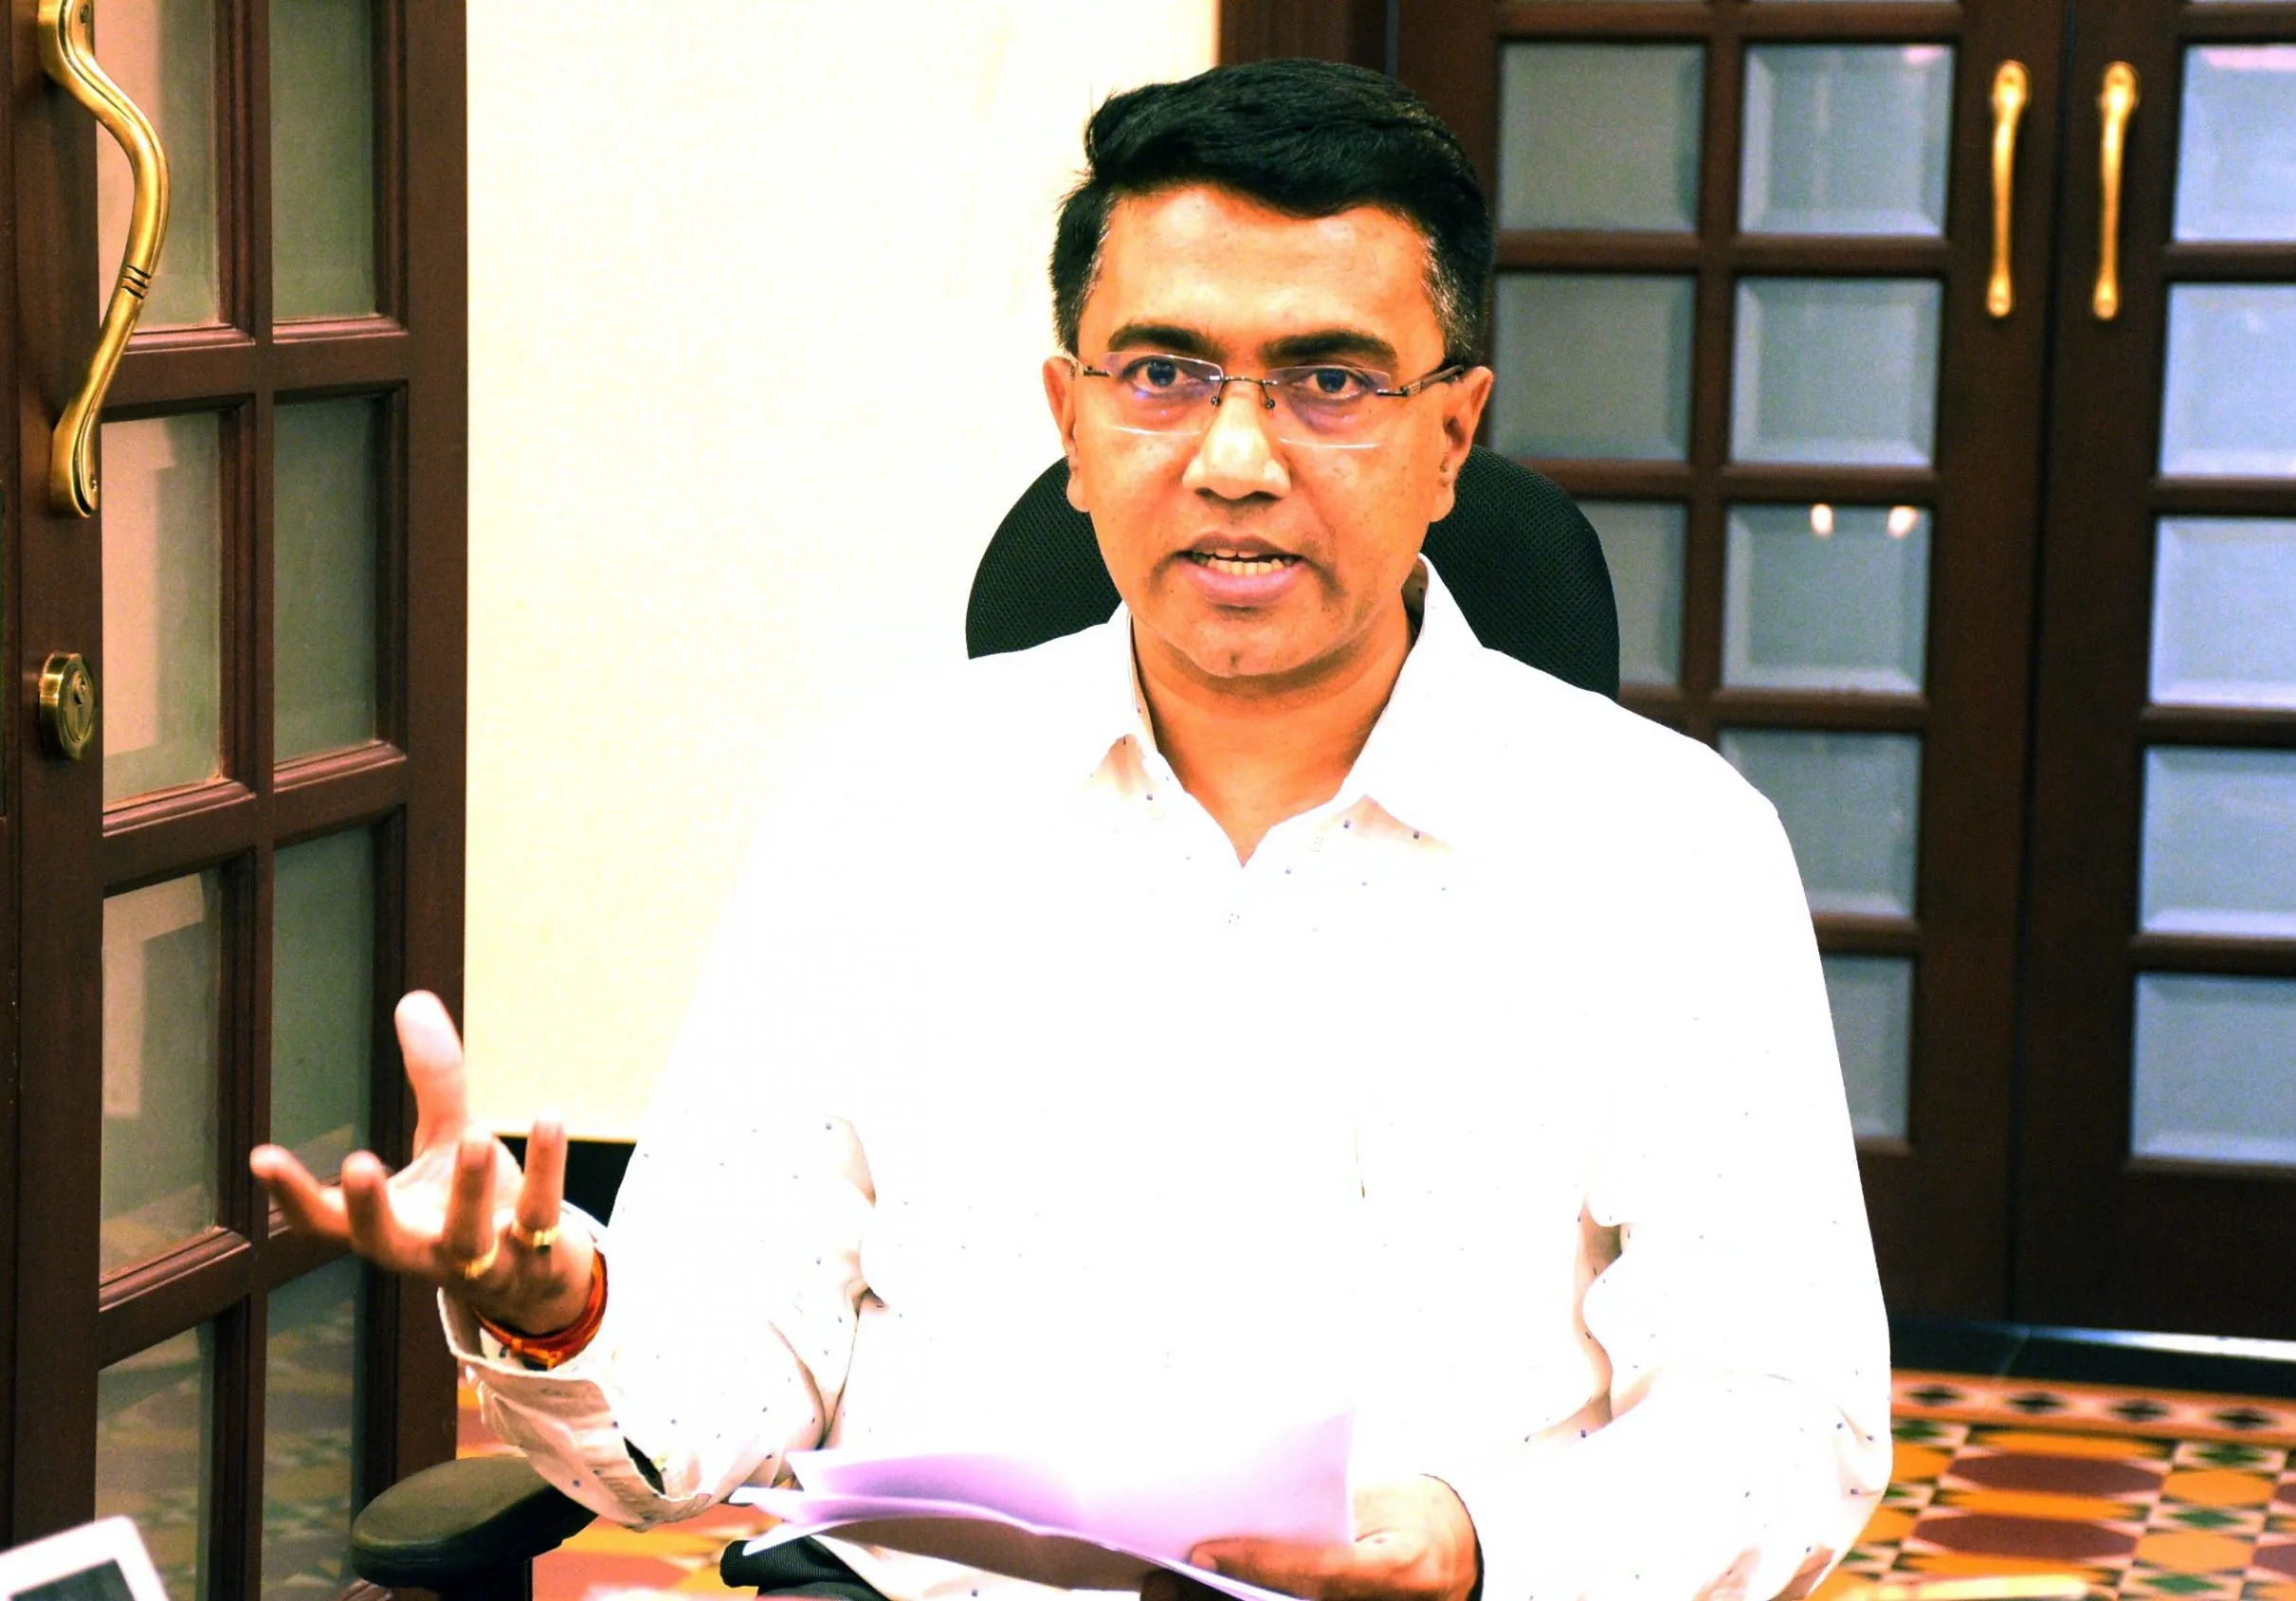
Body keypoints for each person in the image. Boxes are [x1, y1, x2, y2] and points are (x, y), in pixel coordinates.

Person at [252, 58, 1889, 1601]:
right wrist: (564, 1314)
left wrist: (1473, 1542)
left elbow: (1787, 1415)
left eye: (1329, 382)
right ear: (1072, 419)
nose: (1235, 460)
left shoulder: (1664, 849)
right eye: (1163, 376)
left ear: (1450, 435)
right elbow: (728, 1370)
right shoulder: (887, 809)